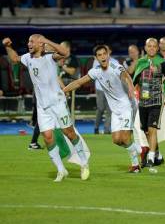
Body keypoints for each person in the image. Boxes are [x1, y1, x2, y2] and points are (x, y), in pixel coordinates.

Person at [2, 35, 90, 182]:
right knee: (48, 138)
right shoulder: (28, 57)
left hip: (58, 103)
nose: (28, 44)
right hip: (42, 107)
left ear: (40, 44)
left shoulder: (50, 57)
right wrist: (8, 46)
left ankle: (84, 163)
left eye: (32, 41)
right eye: (28, 41)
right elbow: (15, 59)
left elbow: (65, 53)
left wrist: (47, 41)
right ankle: (61, 170)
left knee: (69, 133)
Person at [63, 45, 141, 172]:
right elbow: (79, 82)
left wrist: (131, 87)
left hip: (127, 106)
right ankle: (137, 148)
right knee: (116, 140)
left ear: (108, 55)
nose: (103, 57)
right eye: (100, 55)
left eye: (104, 54)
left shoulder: (116, 67)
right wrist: (63, 90)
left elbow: (125, 76)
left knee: (125, 138)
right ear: (96, 58)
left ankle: (135, 165)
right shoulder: (95, 71)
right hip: (115, 111)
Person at [132, 38, 165, 172]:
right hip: (142, 102)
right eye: (149, 46)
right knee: (146, 131)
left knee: (152, 129)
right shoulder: (140, 62)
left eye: (154, 46)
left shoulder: (162, 63)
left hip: (156, 101)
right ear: (145, 48)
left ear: (157, 49)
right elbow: (135, 81)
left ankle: (150, 158)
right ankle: (158, 155)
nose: (151, 48)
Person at [93, 45, 116, 135]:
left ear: (109, 52)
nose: (103, 54)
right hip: (100, 89)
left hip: (111, 90)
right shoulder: (96, 61)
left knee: (110, 110)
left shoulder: (115, 62)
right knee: (100, 109)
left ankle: (107, 130)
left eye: (106, 51)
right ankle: (96, 127)